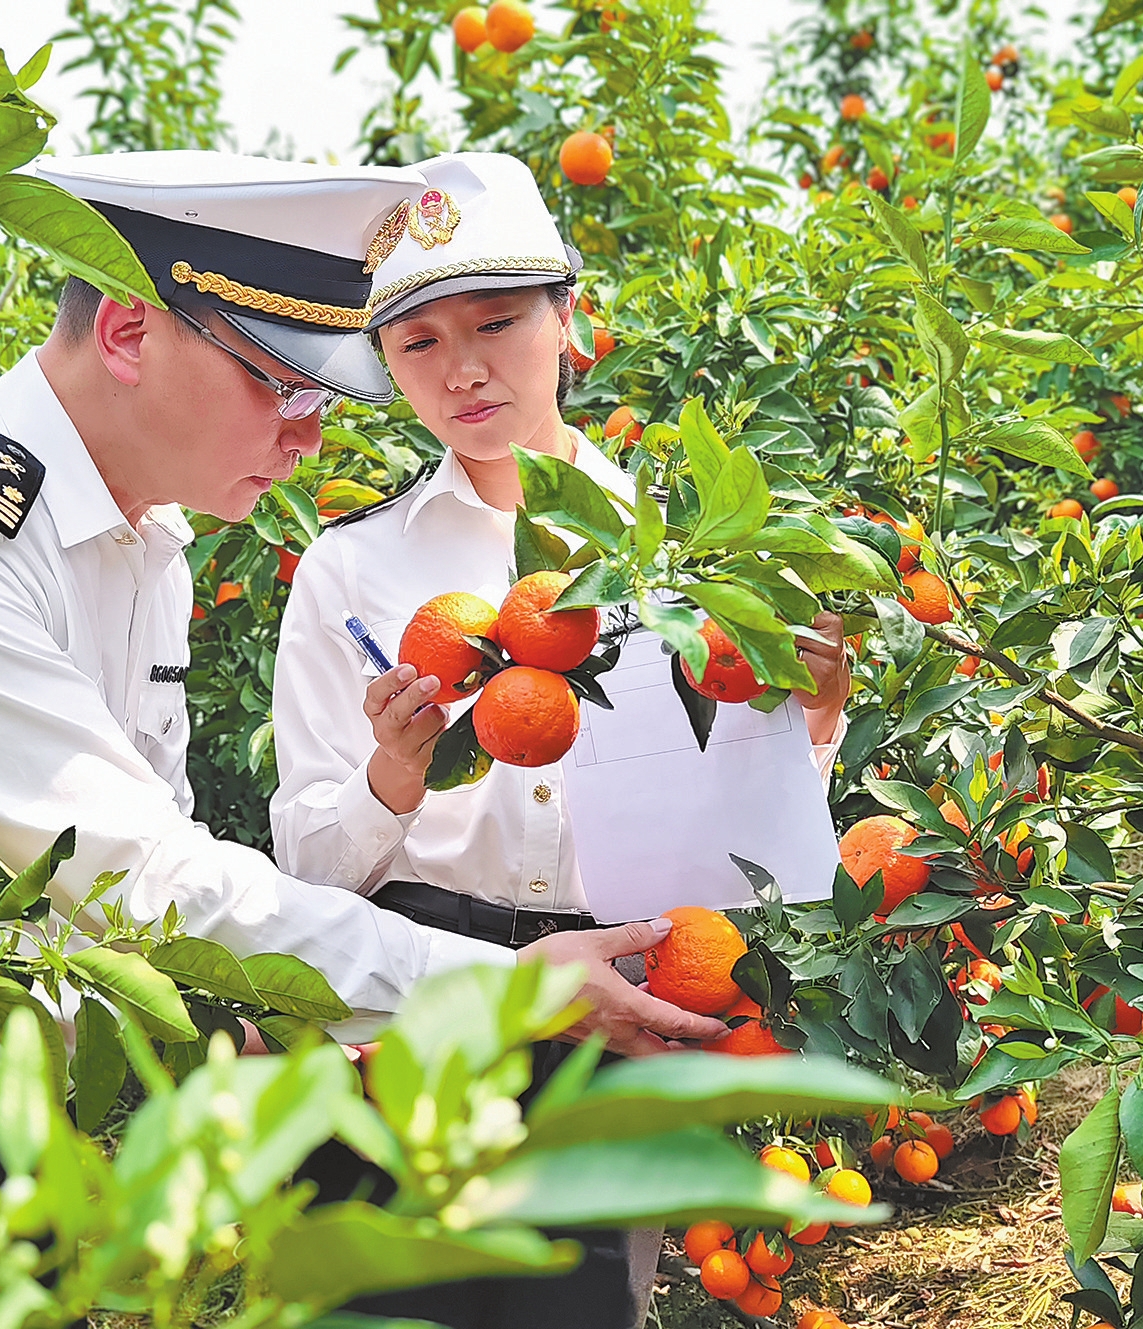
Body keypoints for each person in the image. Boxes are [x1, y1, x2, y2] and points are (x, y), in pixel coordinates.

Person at [0, 151, 725, 1329]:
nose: (310, 435)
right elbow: (138, 881)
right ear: (129, 331)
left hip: (4, 1130)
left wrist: (283, 1012)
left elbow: (147, 854)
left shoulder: (147, 549)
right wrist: (491, 991)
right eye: (283, 383)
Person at [269, 153, 851, 1329]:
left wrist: (816, 718)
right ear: (383, 364)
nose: (463, 369)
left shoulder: (689, 549)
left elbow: (754, 831)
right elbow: (306, 876)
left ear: (566, 321)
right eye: (418, 343)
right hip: (415, 995)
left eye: (495, 324)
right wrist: (393, 772)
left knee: (579, 1304)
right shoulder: (351, 568)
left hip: (619, 988)